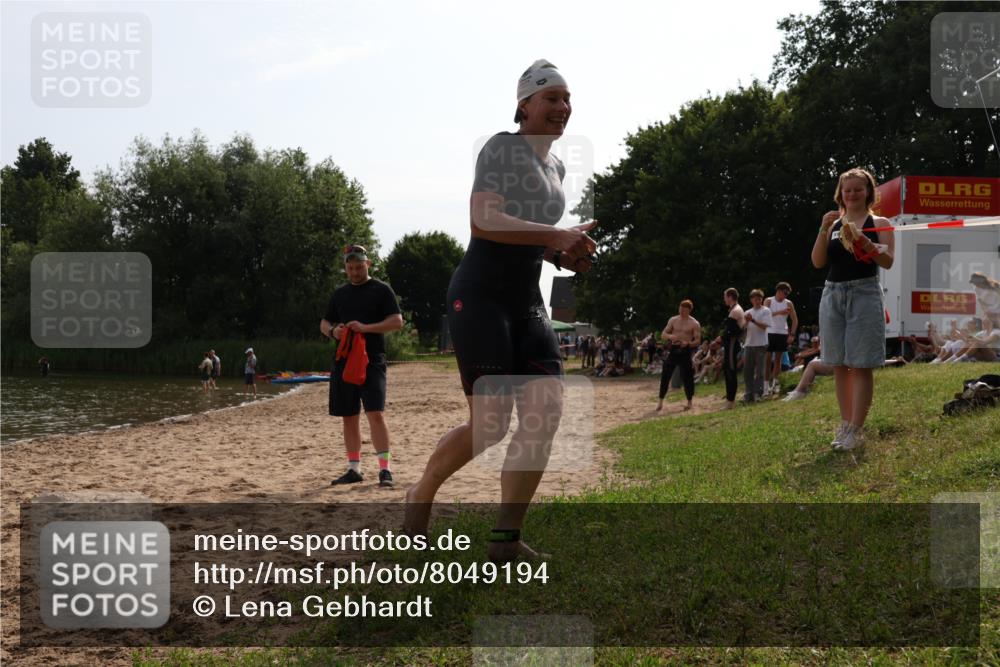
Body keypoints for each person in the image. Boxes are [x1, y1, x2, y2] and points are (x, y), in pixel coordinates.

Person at [404, 60, 596, 562]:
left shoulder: (556, 166)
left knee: (545, 412)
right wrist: (555, 235)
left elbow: (528, 236)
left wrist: (563, 253)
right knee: (489, 426)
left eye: (567, 98)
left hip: (526, 299)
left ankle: (506, 541)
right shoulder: (503, 148)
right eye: (550, 98)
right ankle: (420, 492)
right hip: (480, 295)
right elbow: (484, 219)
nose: (562, 108)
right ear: (524, 105)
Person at [811, 167, 895, 451]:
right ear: (840, 193)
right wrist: (824, 228)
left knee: (860, 365)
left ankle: (856, 429)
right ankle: (845, 424)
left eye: (858, 189)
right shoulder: (834, 222)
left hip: (864, 292)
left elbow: (887, 262)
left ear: (868, 192)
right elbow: (818, 262)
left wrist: (866, 242)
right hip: (833, 293)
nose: (852, 194)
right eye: (847, 190)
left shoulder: (880, 222)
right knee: (839, 365)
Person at [321, 244, 404, 488]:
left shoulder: (381, 290)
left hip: (372, 359)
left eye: (359, 267)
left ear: (368, 264)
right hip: (344, 360)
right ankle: (354, 468)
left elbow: (397, 321)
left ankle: (385, 470)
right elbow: (324, 322)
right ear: (345, 267)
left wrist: (366, 328)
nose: (355, 272)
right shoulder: (340, 293)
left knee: (375, 414)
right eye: (350, 268)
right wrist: (333, 331)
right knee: (349, 416)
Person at [657, 299, 701, 411]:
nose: (681, 312)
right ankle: (660, 401)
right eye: (680, 309)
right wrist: (670, 336)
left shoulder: (694, 323)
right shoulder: (673, 320)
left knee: (687, 377)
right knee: (666, 374)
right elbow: (663, 334)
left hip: (685, 350)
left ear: (689, 311)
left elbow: (697, 341)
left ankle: (689, 401)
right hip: (674, 349)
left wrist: (688, 343)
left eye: (684, 310)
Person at [714, 288, 746, 409]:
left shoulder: (735, 310)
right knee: (728, 370)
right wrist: (722, 337)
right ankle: (729, 398)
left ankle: (730, 401)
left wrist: (720, 338)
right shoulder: (734, 309)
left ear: (730, 297)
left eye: (725, 297)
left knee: (730, 371)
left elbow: (733, 331)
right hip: (730, 345)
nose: (724, 299)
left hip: (732, 344)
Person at [764, 282, 798, 395]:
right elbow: (765, 316)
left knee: (778, 359)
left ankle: (775, 384)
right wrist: (780, 312)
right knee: (768, 359)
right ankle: (765, 385)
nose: (786, 295)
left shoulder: (789, 303)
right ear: (778, 291)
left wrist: (792, 334)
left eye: (788, 293)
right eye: (785, 292)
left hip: (782, 333)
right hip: (769, 332)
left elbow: (795, 320)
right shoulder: (768, 301)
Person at [742, 289, 772, 402]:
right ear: (751, 300)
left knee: (760, 371)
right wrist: (746, 321)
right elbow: (744, 328)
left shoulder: (766, 311)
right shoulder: (747, 312)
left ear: (762, 299)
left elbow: (765, 326)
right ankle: (748, 394)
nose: (757, 301)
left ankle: (758, 394)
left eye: (759, 298)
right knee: (747, 371)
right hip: (749, 344)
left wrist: (753, 320)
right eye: (755, 298)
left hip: (761, 344)